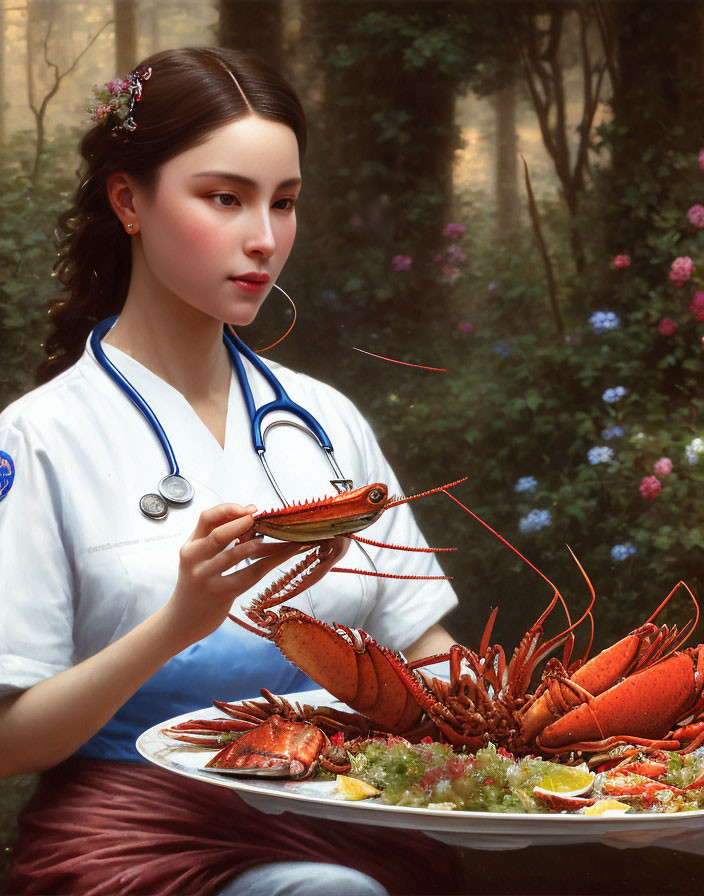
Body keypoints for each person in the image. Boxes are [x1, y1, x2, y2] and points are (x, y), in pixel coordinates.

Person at [0, 47, 463, 896]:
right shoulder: (38, 440)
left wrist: (539, 724)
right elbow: (7, 742)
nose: (264, 238)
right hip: (142, 830)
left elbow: (422, 646)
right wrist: (181, 620)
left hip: (354, 809)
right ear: (127, 199)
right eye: (225, 198)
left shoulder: (325, 421)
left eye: (283, 203)